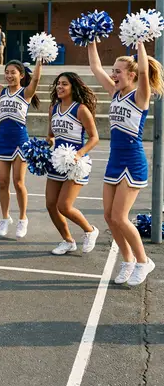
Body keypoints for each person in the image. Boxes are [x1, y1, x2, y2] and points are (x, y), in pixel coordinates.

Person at [88, 41, 164, 286]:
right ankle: (128, 260)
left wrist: (140, 44)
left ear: (131, 75)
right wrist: (90, 40)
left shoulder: (140, 95)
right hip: (115, 159)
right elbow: (95, 67)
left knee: (121, 217)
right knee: (109, 217)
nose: (113, 74)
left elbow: (144, 72)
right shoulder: (115, 92)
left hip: (133, 160)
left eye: (118, 71)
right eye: (114, 71)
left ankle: (144, 261)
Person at [0, 52, 42, 238]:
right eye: (6, 72)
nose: (8, 75)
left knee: (18, 182)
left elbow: (37, 78)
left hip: (20, 141)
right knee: (3, 183)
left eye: (12, 72)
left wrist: (39, 59)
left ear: (21, 75)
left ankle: (23, 219)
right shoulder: (1, 91)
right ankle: (5, 218)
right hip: (3, 141)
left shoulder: (26, 92)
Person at [45, 72, 100, 255]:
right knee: (51, 204)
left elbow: (94, 138)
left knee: (64, 206)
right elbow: (51, 136)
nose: (60, 87)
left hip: (76, 163)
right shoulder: (53, 108)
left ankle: (90, 231)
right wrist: (45, 146)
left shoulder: (80, 109)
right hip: (57, 161)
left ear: (73, 87)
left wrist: (79, 154)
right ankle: (68, 240)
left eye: (64, 84)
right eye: (58, 84)